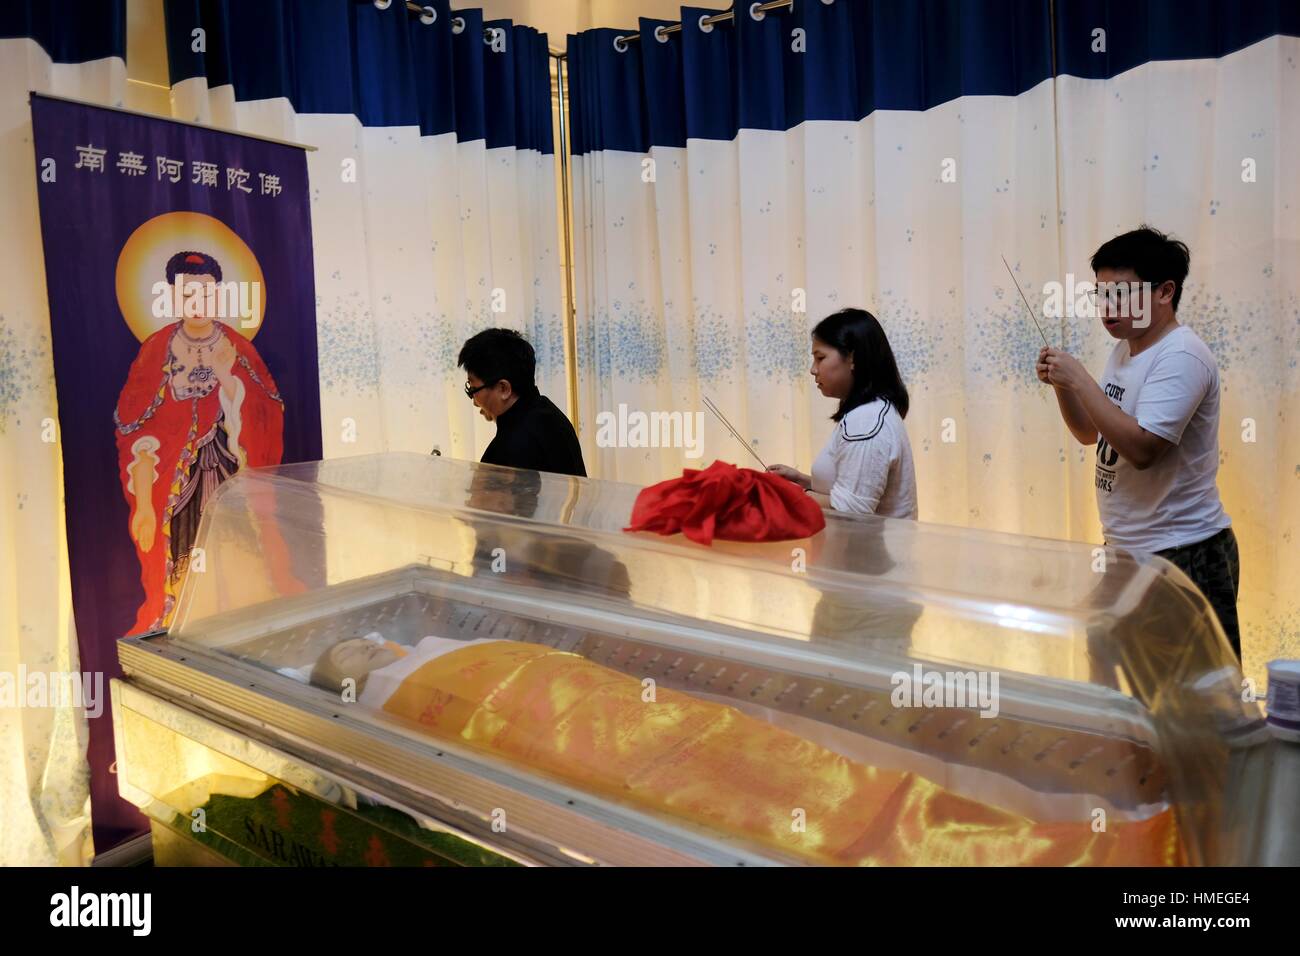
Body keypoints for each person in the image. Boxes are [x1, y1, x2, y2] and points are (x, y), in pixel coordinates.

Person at [1037, 225, 1239, 659]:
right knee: (1123, 681)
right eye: (1101, 294)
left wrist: (1080, 379)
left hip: (1180, 552)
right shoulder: (1127, 349)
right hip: (1127, 550)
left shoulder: (1181, 355)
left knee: (1191, 691)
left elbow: (1143, 449)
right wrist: (1063, 386)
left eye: (1122, 294)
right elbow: (1090, 433)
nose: (1108, 307)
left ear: (1165, 292)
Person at [115, 250, 284, 633]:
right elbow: (134, 429)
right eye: (187, 294)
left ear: (218, 295)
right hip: (177, 489)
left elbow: (266, 413)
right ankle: (190, 628)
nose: (197, 304)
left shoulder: (237, 348)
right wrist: (145, 503)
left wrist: (226, 377)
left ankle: (244, 624)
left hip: (228, 470)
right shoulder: (155, 350)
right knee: (185, 559)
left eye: (205, 294)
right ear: (172, 296)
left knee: (238, 551)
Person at [767, 308, 917, 518]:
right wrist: (801, 480)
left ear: (853, 357)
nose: (813, 369)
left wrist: (789, 494)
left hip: (868, 541)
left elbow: (852, 510)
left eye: (820, 358)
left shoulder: (866, 422)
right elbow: (852, 491)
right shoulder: (870, 411)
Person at [458, 328, 585, 477]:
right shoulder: (550, 414)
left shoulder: (507, 450)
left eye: (474, 389)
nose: (474, 402)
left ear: (503, 389)